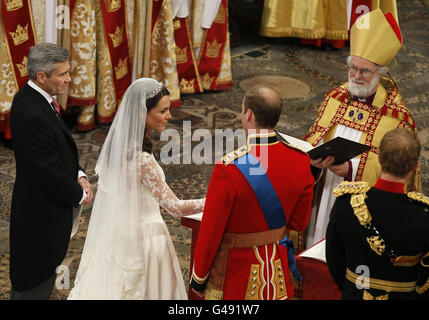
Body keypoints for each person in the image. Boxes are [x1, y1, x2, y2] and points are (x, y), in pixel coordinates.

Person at [68, 78, 205, 300]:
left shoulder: (116, 147)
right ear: (143, 113)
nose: (169, 116)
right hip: (146, 240)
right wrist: (214, 199)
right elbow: (175, 208)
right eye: (163, 110)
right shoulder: (142, 160)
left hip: (117, 235)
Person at [304, 8, 420, 248]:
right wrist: (313, 160)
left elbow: (398, 171)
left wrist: (350, 168)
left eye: (364, 71)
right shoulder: (335, 97)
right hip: (325, 187)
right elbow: (314, 137)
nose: (355, 76)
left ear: (380, 73)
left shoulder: (396, 117)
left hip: (364, 205)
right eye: (352, 68)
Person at [190, 86, 314, 300]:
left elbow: (211, 233)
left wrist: (198, 277)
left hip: (236, 275)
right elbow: (299, 223)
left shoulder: (228, 168)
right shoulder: (301, 160)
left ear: (249, 114)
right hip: (277, 270)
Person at [9, 43, 94, 300]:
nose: (69, 79)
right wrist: (78, 195)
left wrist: (79, 173)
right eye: (62, 74)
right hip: (38, 215)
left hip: (46, 211)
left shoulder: (40, 100)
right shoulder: (31, 111)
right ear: (41, 76)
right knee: (34, 282)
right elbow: (46, 171)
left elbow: (57, 151)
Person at [326, 128, 429, 300]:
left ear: (380, 160)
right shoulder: (424, 215)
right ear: (415, 166)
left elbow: (334, 259)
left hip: (355, 294)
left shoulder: (346, 203)